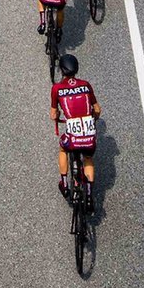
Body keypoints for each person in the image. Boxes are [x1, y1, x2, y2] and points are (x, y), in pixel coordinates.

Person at [51, 53, 98, 203]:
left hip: (72, 137)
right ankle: (89, 195)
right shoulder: (85, 85)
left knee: (63, 149)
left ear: (62, 70)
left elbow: (53, 114)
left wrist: (58, 116)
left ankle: (64, 184)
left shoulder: (57, 88)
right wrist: (92, 119)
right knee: (88, 157)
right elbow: (97, 110)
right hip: (88, 136)